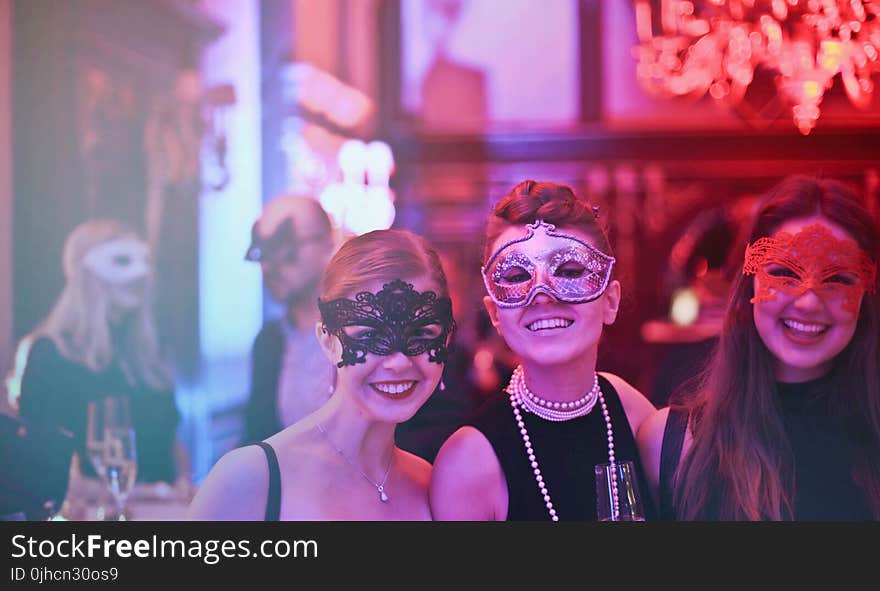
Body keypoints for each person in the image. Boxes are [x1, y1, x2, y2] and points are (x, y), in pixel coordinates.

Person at [638, 175, 880, 521]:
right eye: (784, 273)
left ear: (867, 295)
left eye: (837, 279)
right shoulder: (671, 444)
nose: (808, 302)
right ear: (747, 284)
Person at [189, 229, 456, 520]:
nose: (399, 362)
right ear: (328, 342)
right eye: (369, 335)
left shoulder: (429, 486)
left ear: (446, 339)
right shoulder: (249, 479)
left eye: (421, 333)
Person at [429, 180, 656, 521]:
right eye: (517, 275)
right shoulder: (468, 462)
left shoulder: (631, 412)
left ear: (611, 301)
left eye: (569, 271)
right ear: (495, 315)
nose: (542, 294)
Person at [16, 219, 191, 494]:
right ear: (85, 272)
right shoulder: (50, 357)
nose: (138, 274)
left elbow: (173, 445)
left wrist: (182, 485)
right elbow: (38, 469)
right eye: (122, 260)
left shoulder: (150, 354)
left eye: (144, 259)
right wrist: (143, 493)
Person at [241, 194, 337, 444]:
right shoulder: (268, 343)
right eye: (264, 251)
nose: (269, 265)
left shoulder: (364, 336)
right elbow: (257, 439)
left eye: (287, 249)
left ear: (327, 246)